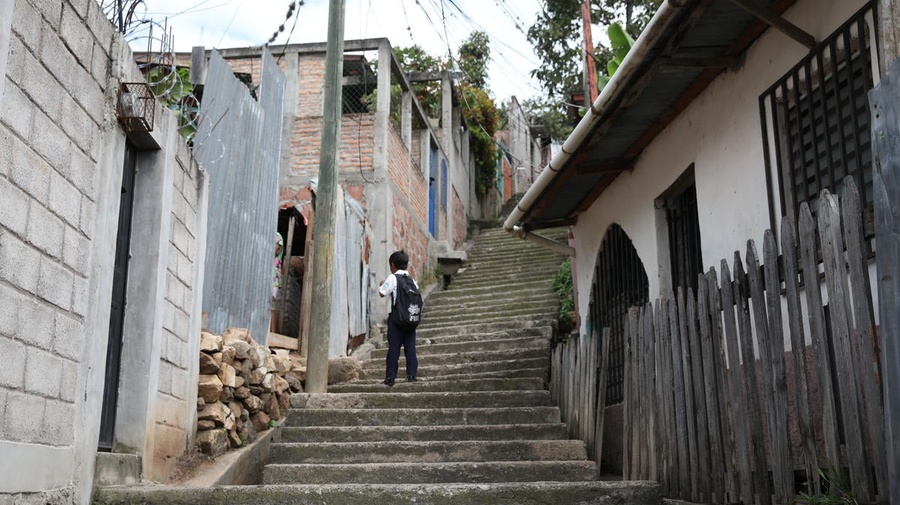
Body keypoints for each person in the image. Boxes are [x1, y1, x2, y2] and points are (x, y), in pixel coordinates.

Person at [378, 250, 419, 386]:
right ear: (406, 265)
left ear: (392, 265)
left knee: (394, 348)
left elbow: (382, 293)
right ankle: (412, 375)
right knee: (410, 348)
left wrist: (382, 284)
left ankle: (390, 377)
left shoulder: (393, 278)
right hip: (411, 320)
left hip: (396, 320)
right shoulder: (413, 281)